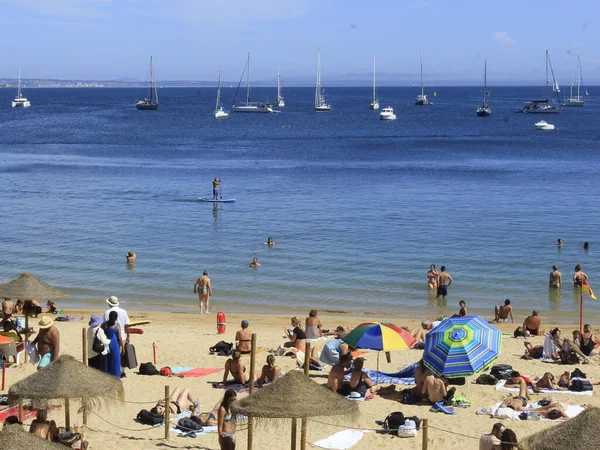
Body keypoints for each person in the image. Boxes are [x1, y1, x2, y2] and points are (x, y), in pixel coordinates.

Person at [101, 311, 124, 378]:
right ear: (116, 318)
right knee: (115, 360)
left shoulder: (104, 324)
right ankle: (115, 375)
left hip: (106, 343)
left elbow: (100, 331)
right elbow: (119, 337)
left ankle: (106, 373)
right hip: (114, 344)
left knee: (107, 359)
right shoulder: (117, 325)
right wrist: (123, 347)